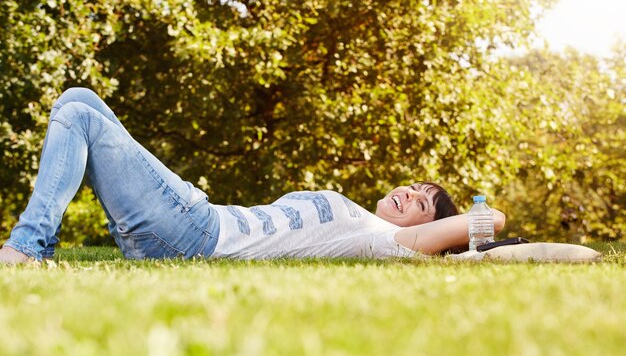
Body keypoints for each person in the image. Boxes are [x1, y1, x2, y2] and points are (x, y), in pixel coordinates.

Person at [0, 88, 505, 264]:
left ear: (426, 230)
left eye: (421, 201)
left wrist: (474, 218)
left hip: (194, 231)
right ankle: (29, 248)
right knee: (81, 102)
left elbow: (493, 221)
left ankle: (26, 248)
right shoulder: (361, 222)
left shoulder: (385, 242)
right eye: (412, 186)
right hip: (190, 222)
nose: (407, 193)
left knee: (81, 114)